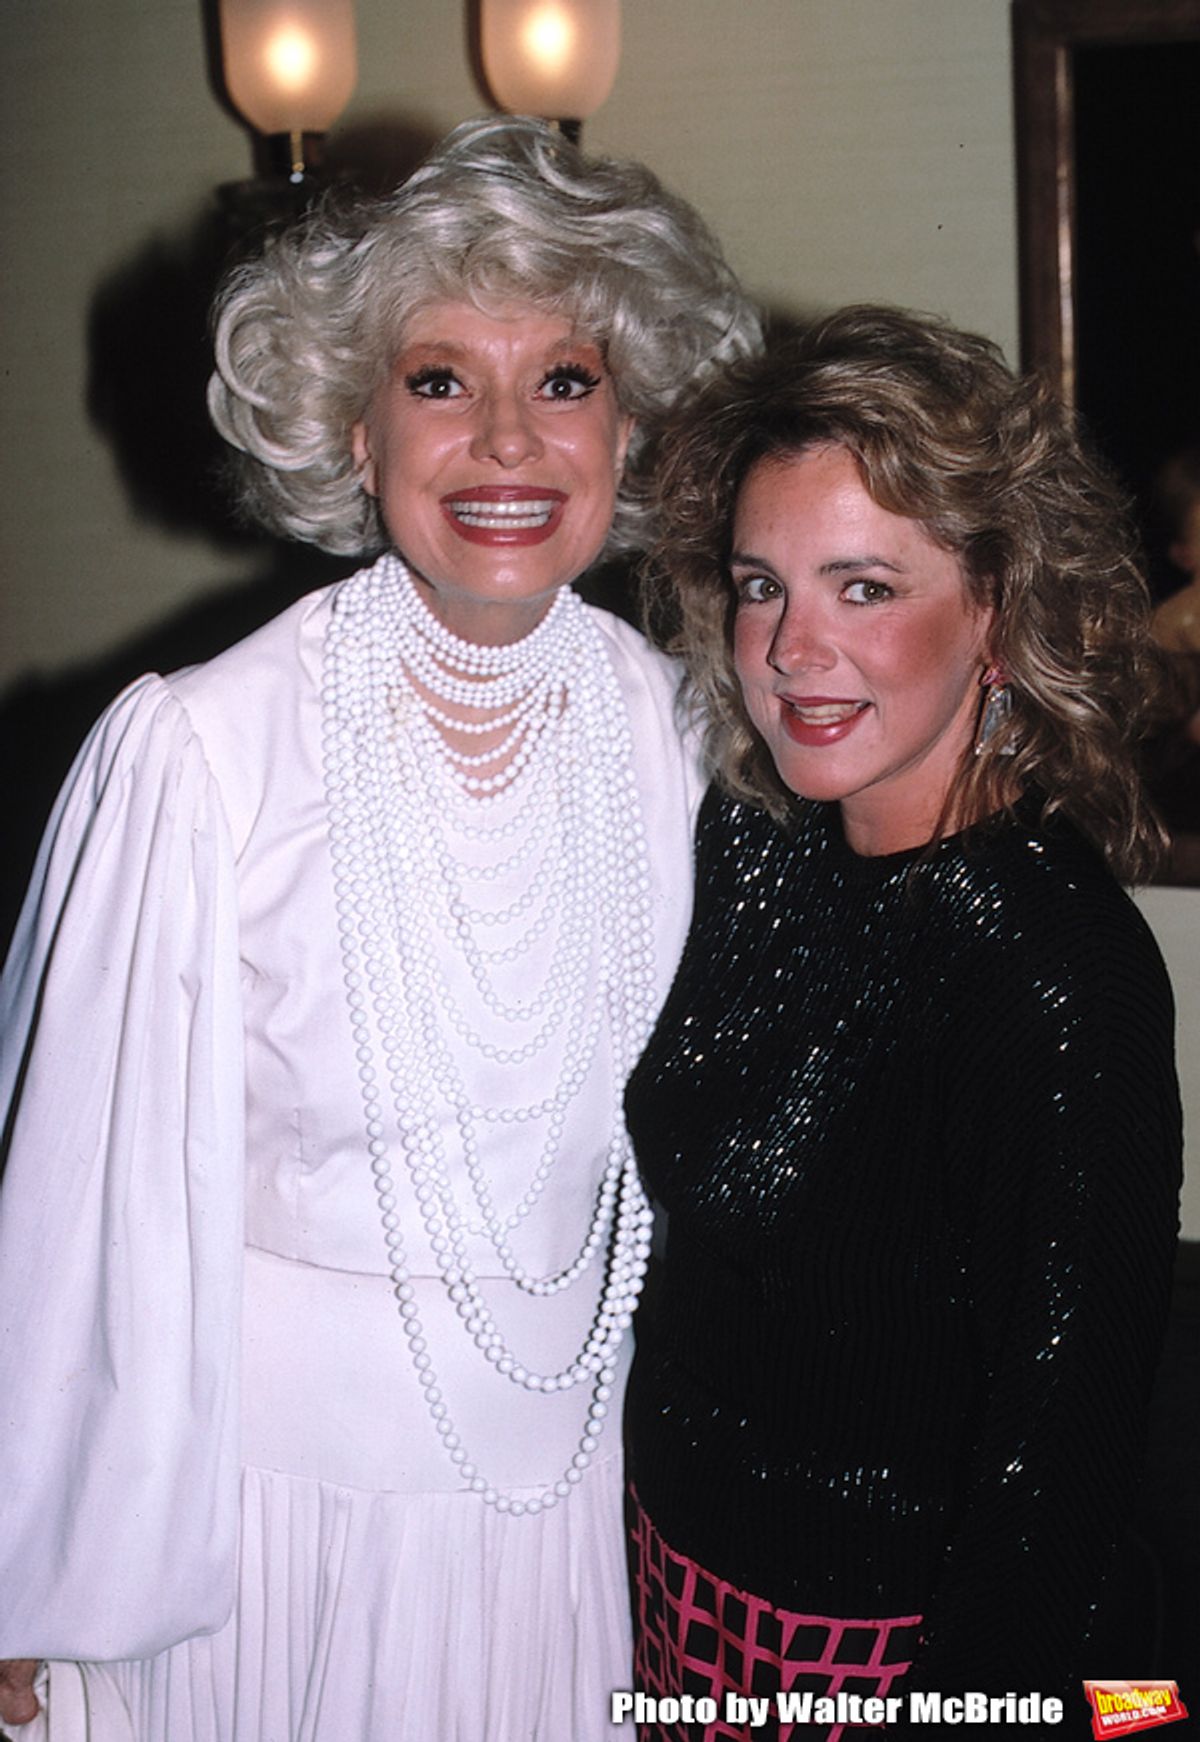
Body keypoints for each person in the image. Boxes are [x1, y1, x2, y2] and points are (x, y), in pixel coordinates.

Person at [0, 117, 760, 1740]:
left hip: (559, 1529)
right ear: (354, 428)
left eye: (565, 380)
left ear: (631, 426)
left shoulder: (691, 740)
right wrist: (35, 1582)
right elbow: (82, 1214)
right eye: (439, 380)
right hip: (266, 1535)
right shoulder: (203, 753)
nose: (508, 441)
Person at [624, 307, 1181, 1739]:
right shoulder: (752, 845)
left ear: (996, 609)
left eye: (863, 588)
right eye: (761, 586)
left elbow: (1057, 1487)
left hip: (892, 1661)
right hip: (668, 1593)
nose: (791, 650)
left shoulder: (1058, 974)